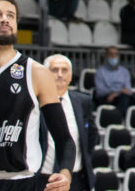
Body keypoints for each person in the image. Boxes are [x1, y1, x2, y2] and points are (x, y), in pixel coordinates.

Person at [0, 0, 75, 191]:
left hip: (23, 183)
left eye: (11, 16)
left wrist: (66, 173)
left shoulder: (37, 73)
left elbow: (64, 139)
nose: (5, 20)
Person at [39, 55, 96, 191]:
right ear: (45, 74)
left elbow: (91, 137)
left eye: (64, 70)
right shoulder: (35, 101)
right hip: (42, 178)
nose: (60, 75)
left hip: (76, 179)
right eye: (55, 70)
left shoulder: (83, 101)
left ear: (70, 75)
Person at [93, 46, 134, 113]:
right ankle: (117, 118)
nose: (114, 56)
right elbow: (100, 91)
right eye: (111, 54)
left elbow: (128, 90)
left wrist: (115, 94)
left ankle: (119, 118)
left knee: (131, 98)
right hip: (106, 98)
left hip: (120, 96)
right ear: (106, 56)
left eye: (116, 54)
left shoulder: (124, 71)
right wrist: (118, 90)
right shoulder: (100, 72)